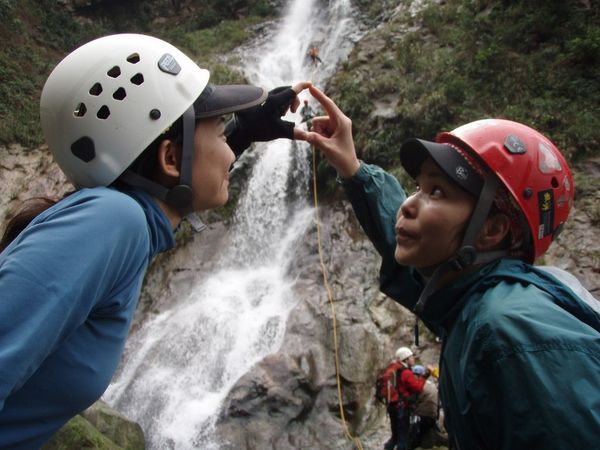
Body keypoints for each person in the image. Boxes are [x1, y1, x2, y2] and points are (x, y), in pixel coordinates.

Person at [0, 33, 311, 448]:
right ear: (168, 158)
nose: (230, 154)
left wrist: (242, 132)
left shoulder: (120, 222)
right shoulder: (114, 219)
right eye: (221, 135)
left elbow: (173, 181)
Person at [299, 85, 600, 449]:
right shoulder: (472, 302)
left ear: (491, 230)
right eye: (417, 187)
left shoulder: (511, 334)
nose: (408, 205)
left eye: (437, 191)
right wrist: (353, 168)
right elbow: (411, 259)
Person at [381, 347, 427, 450]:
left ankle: (387, 448)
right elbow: (417, 388)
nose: (413, 359)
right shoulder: (406, 373)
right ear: (405, 359)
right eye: (411, 357)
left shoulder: (393, 369)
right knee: (403, 438)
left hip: (392, 406)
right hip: (402, 408)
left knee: (395, 436)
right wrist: (423, 378)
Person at [409, 365, 447, 450]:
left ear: (418, 375)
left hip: (422, 416)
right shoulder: (431, 384)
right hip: (433, 416)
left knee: (412, 435)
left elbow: (411, 400)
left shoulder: (419, 386)